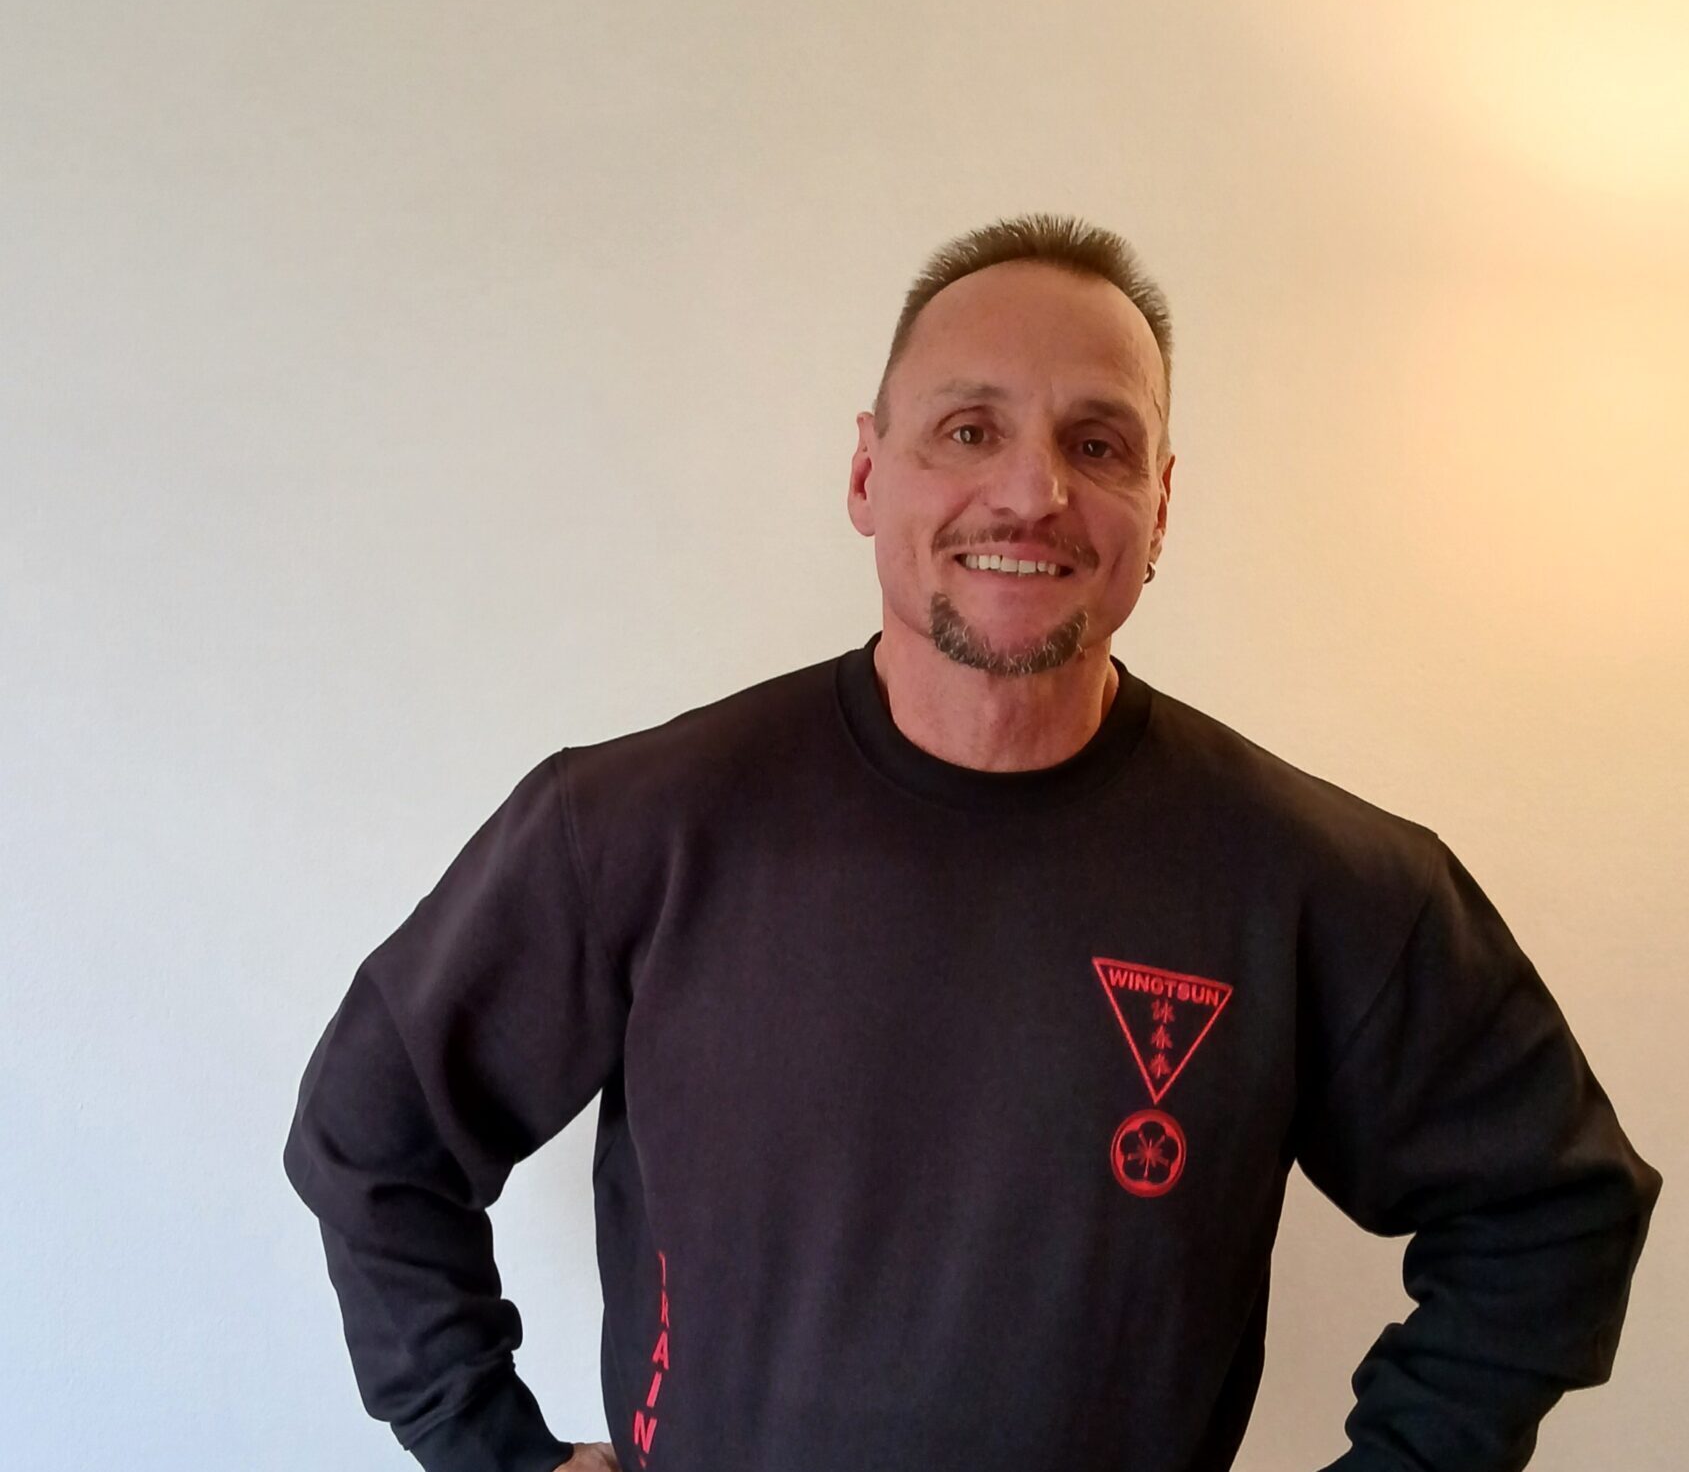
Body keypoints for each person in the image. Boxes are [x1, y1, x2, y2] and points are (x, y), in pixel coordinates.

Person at [283, 212, 1661, 1472]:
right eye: (966, 429)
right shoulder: (635, 828)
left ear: (1159, 508)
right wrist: (491, 1448)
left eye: (1098, 444)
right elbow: (374, 1129)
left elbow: (1552, 1208)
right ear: (865, 470)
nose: (1030, 491)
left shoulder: (1321, 884)